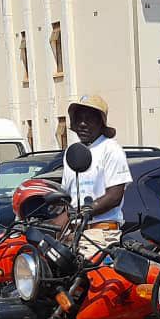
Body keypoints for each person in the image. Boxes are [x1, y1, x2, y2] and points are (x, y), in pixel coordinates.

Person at [61, 94, 132, 252]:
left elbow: (114, 196)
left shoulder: (111, 149)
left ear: (101, 122)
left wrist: (78, 214)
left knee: (81, 273)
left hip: (101, 234)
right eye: (79, 119)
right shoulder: (71, 152)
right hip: (73, 232)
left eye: (89, 119)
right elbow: (67, 197)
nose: (83, 124)